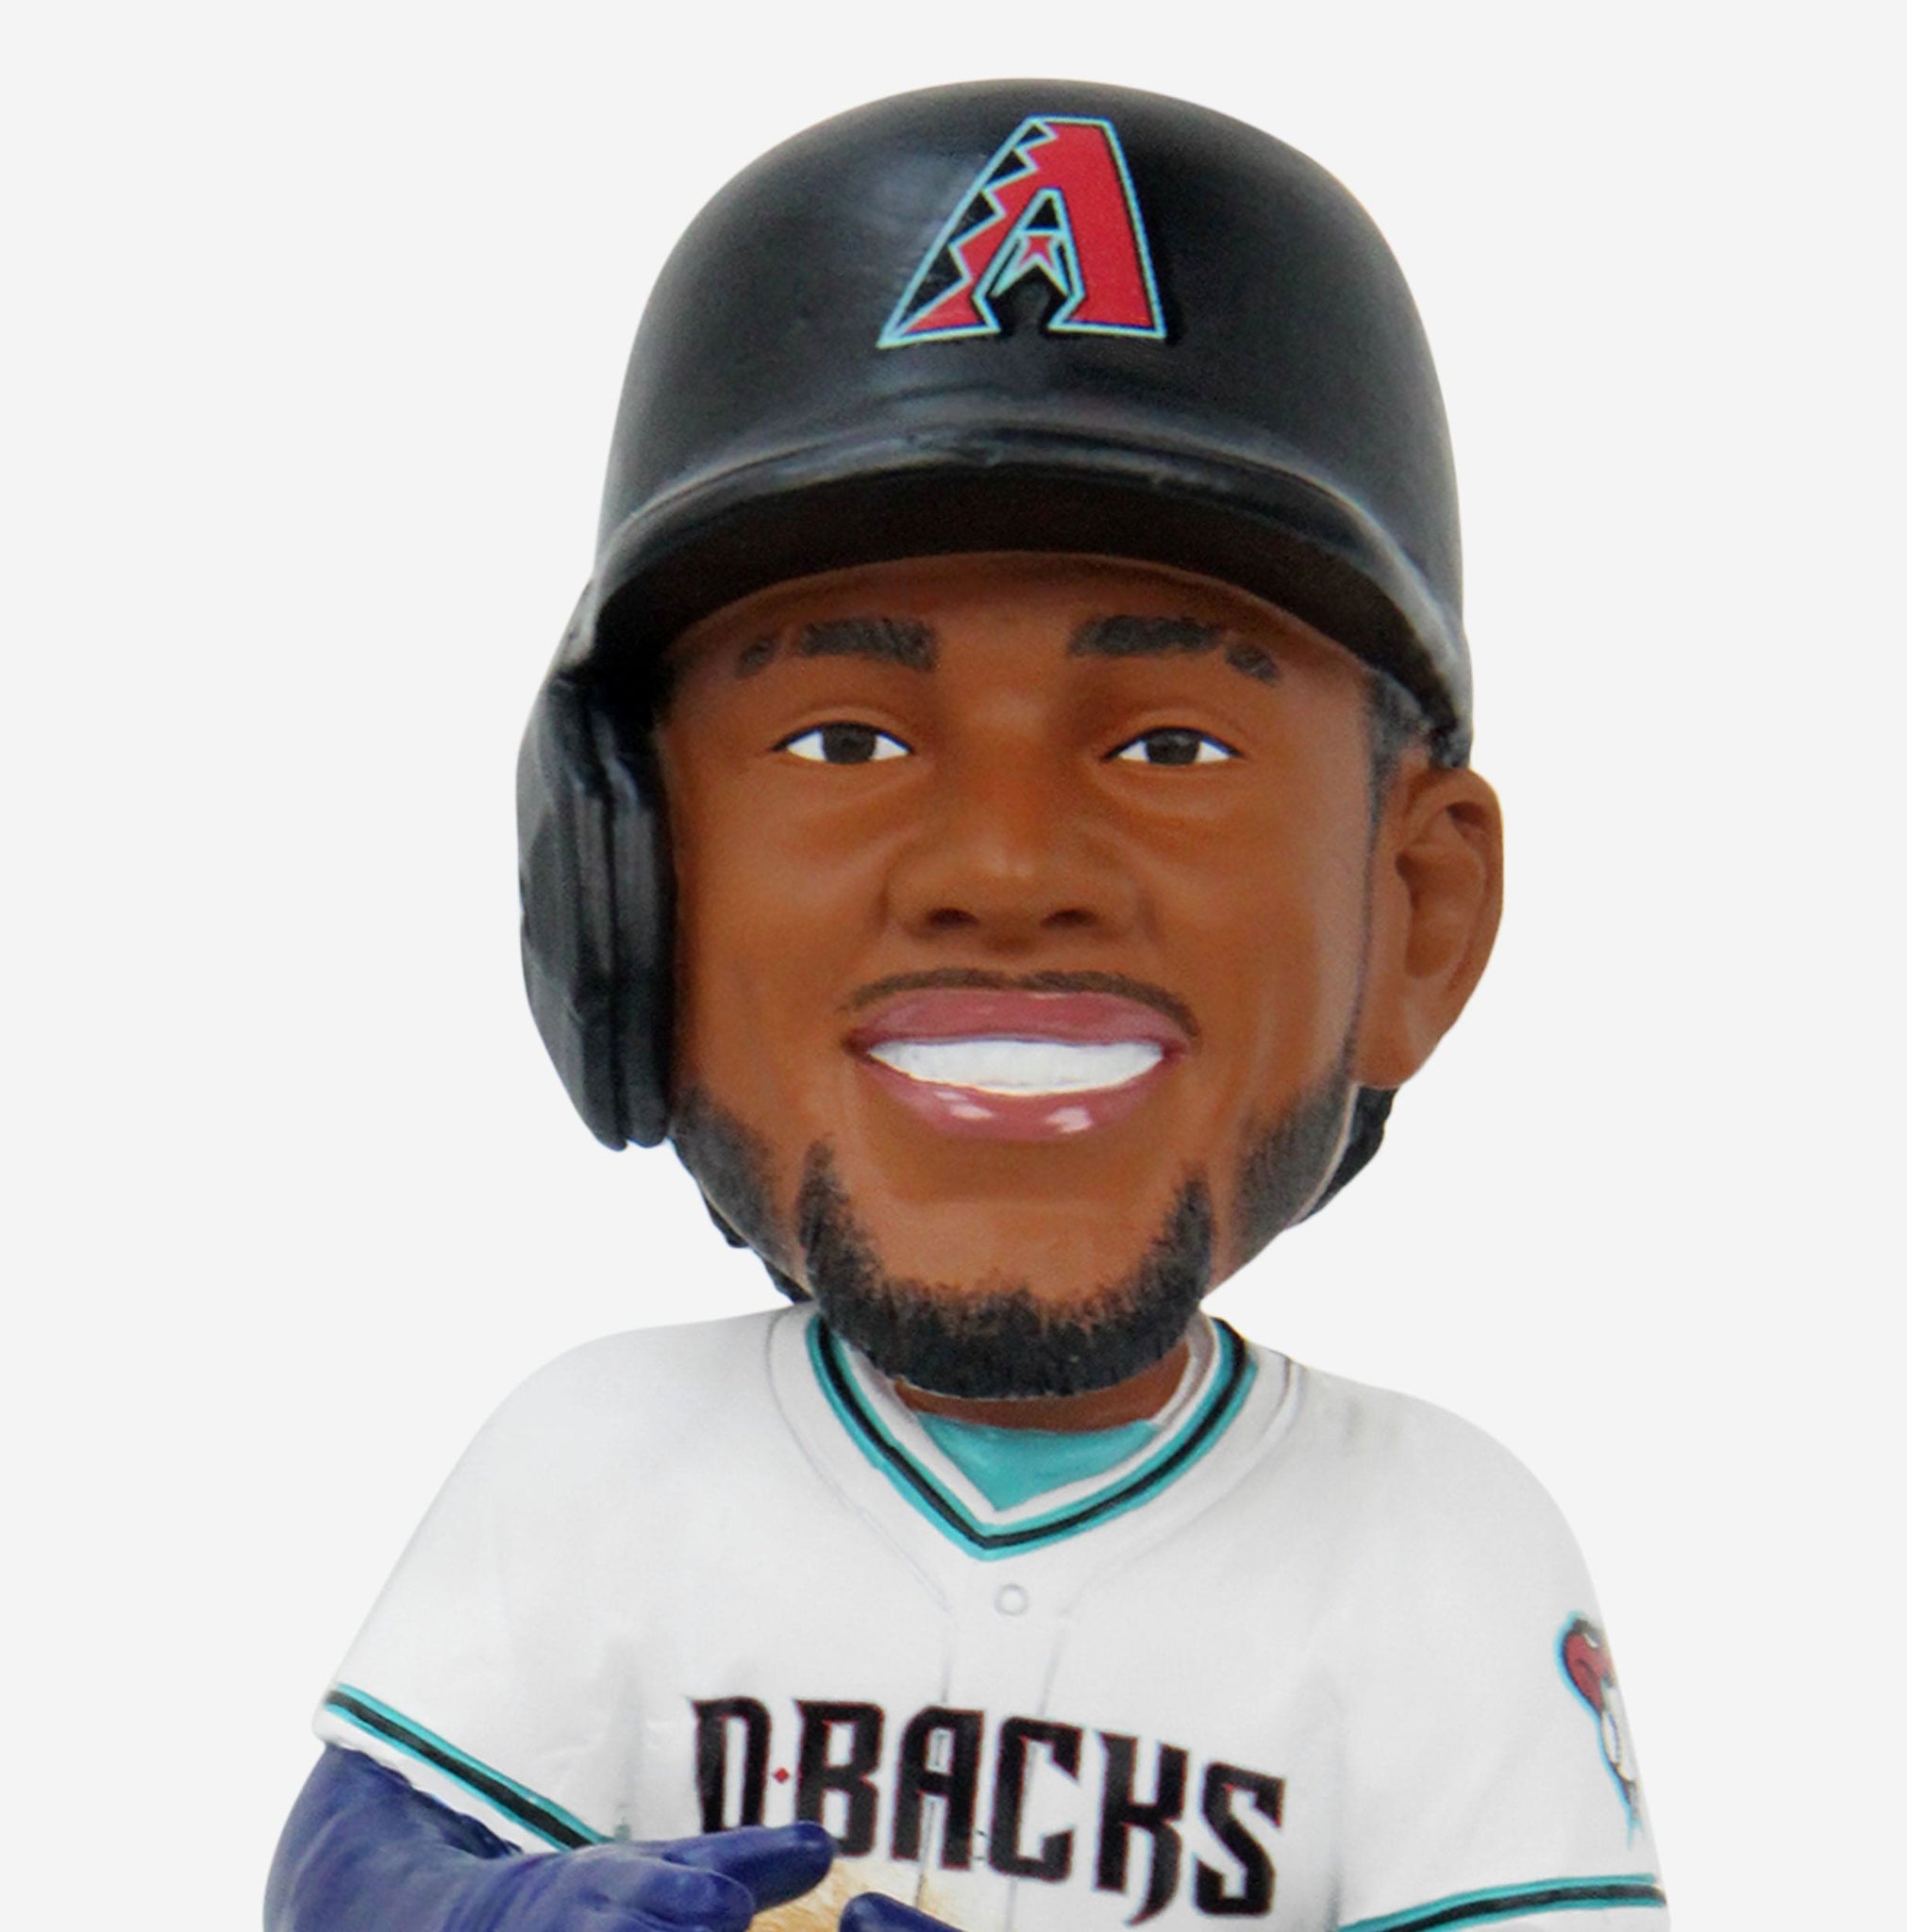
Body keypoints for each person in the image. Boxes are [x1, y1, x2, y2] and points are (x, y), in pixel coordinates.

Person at [267, 81, 1667, 1932]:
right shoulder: (601, 1457)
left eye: (1172, 746)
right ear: (621, 891)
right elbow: (354, 1878)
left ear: (1413, 914)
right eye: (844, 739)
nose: (1006, 870)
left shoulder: (1435, 1547)